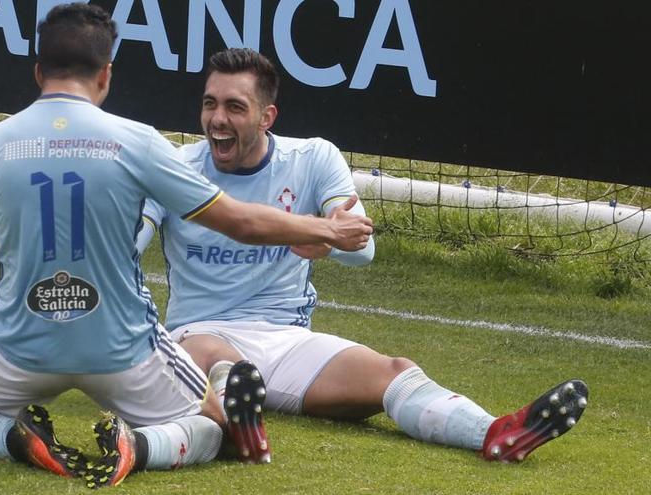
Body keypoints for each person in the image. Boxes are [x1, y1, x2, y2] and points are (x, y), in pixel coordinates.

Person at [0, 5, 374, 490]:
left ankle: (11, 438)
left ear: (39, 71)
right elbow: (240, 222)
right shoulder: (138, 142)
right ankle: (141, 447)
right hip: (122, 351)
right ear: (106, 74)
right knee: (215, 423)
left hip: (20, 347)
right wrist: (326, 231)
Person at [136, 48, 589, 464]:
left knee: (396, 372)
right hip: (199, 334)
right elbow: (129, 241)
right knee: (218, 357)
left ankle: (492, 432)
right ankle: (236, 417)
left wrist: (330, 240)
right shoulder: (176, 166)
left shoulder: (313, 158)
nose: (217, 118)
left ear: (266, 116)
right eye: (210, 103)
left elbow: (362, 249)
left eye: (234, 106)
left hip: (287, 341)